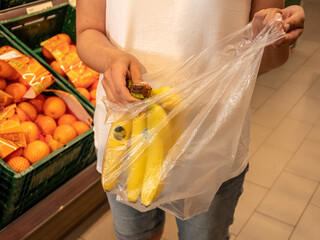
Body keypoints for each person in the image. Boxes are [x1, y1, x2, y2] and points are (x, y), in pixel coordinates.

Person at [76, 1, 305, 239]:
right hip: (127, 135)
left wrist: (274, 35)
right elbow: (88, 30)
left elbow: (269, 59)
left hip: (212, 141)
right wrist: (111, 58)